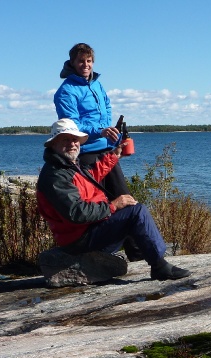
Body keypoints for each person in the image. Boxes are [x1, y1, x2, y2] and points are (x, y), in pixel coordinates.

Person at [36, 118, 191, 281]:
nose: (72, 144)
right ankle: (160, 267)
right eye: (65, 139)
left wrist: (114, 156)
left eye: (75, 139)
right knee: (136, 212)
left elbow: (91, 176)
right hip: (79, 240)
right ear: (53, 144)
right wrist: (113, 206)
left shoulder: (67, 165)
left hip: (85, 232)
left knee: (131, 209)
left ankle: (150, 259)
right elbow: (77, 213)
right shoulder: (55, 176)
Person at [54, 42, 140, 259]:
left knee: (124, 196)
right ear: (72, 63)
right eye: (81, 61)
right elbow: (72, 125)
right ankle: (94, 252)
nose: (86, 65)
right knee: (97, 203)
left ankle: (136, 249)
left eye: (89, 61)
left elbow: (107, 110)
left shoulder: (97, 85)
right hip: (87, 153)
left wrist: (115, 135)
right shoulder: (66, 91)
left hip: (106, 149)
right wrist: (100, 131)